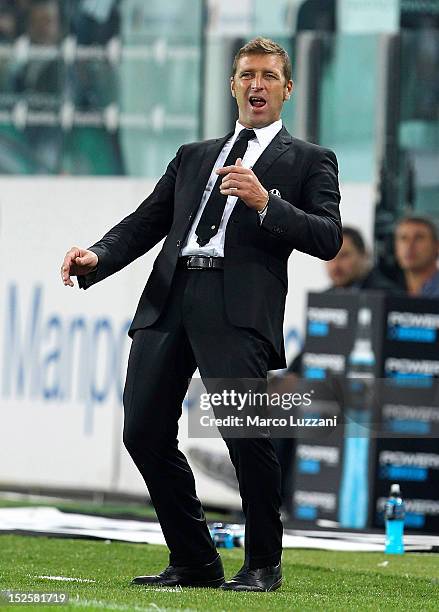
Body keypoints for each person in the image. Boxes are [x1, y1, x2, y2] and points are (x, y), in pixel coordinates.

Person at [61, 37, 341, 592]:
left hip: (237, 309)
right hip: (169, 297)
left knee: (245, 436)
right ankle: (193, 558)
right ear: (232, 84)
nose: (255, 85)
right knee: (143, 431)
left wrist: (266, 203)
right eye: (246, 75)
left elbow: (329, 238)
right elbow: (146, 223)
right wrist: (97, 256)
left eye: (267, 76)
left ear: (288, 89)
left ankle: (263, 562)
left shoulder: (309, 160)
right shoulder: (195, 155)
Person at [272, 226, 400, 519]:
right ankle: (271, 503)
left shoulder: (386, 294)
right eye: (331, 258)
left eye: (345, 256)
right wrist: (290, 377)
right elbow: (311, 353)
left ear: (365, 257)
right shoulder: (327, 298)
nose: (337, 265)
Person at [394, 216, 439, 298]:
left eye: (419, 238)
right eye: (403, 238)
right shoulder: (390, 291)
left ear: (437, 246)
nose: (409, 246)